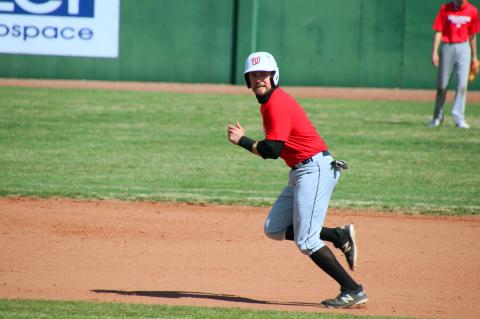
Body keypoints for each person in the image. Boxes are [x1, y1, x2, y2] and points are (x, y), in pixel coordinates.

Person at [227, 51, 368, 309]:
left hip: (314, 170)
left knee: (307, 241)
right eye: (254, 75)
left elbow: (272, 151)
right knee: (274, 228)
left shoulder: (277, 103)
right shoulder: (269, 103)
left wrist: (242, 141)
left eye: (263, 75)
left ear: (274, 76)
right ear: (248, 81)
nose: (259, 79)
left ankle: (352, 289)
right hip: (301, 172)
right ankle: (338, 235)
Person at [430, 0, 479, 129]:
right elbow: (439, 30)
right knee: (442, 85)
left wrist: (474, 57)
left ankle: (459, 118)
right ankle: (437, 117)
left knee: (462, 84)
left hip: (464, 48)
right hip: (448, 46)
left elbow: (473, 35)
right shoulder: (445, 8)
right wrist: (435, 52)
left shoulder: (472, 11)